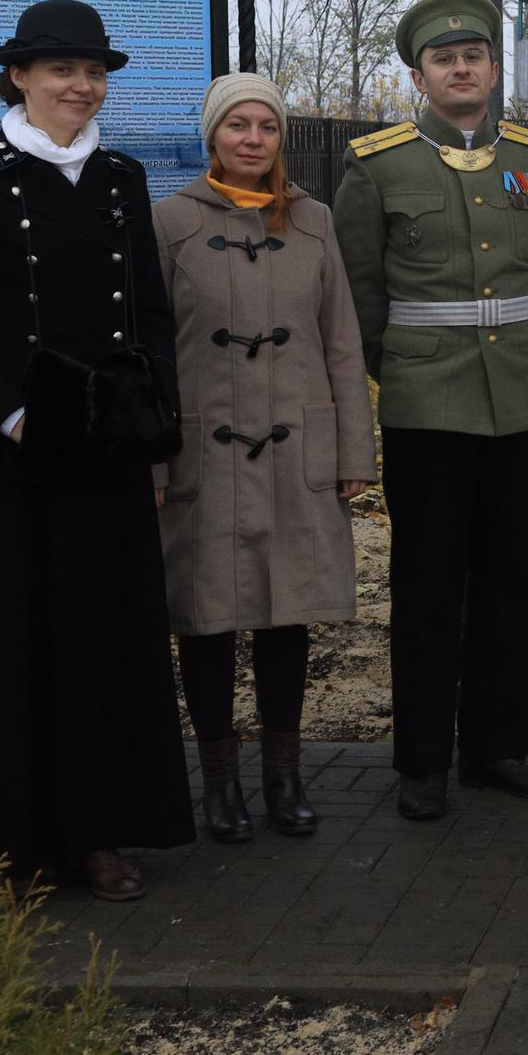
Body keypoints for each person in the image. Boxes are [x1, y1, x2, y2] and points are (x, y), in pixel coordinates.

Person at [0, 0, 191, 900]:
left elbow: (148, 311)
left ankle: (98, 832)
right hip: (7, 458)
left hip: (102, 457)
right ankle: (6, 842)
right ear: (19, 77)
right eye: (63, 69)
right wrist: (9, 412)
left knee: (100, 643)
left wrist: (149, 426)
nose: (82, 84)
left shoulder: (120, 177)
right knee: (8, 645)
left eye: (94, 71)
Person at [334, 0, 528, 822]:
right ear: (419, 75)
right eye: (444, 58)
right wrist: (400, 367)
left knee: (510, 581)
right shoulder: (378, 164)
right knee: (429, 586)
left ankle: (499, 746)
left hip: (524, 402)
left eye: (474, 55)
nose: (461, 67)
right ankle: (423, 760)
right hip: (428, 404)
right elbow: (358, 294)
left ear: (495, 69)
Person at [154, 74, 376, 842]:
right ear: (212, 134)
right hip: (202, 453)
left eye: (267, 127)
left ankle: (285, 776)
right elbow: (150, 356)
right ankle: (219, 784)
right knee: (207, 620)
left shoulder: (312, 220)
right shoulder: (169, 223)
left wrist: (355, 448)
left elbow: (342, 340)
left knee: (289, 617)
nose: (253, 139)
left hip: (296, 448)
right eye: (237, 125)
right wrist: (151, 464)